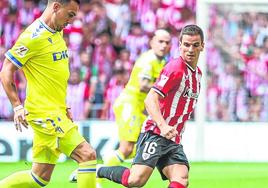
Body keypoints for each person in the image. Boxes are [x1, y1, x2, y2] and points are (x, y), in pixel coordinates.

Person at [0, 1, 96, 188]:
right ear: (56, 7)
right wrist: (17, 106)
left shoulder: (56, 30)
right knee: (87, 155)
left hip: (56, 109)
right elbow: (6, 71)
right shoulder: (32, 37)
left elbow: (52, 75)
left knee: (39, 178)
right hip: (45, 113)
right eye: (69, 14)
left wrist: (63, 105)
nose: (71, 21)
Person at [97, 24, 204, 188]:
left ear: (202, 46)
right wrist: (163, 125)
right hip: (156, 132)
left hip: (173, 139)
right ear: (180, 45)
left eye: (195, 45)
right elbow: (150, 99)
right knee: (135, 181)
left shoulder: (197, 74)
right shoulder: (175, 68)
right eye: (186, 45)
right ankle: (100, 170)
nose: (190, 49)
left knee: (181, 179)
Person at [69, 28, 171, 184]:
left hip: (138, 108)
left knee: (138, 150)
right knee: (127, 148)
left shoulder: (161, 61)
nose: (163, 45)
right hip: (129, 105)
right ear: (152, 42)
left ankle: (105, 171)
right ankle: (96, 175)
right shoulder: (148, 61)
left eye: (167, 42)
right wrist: (164, 91)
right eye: (160, 41)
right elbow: (144, 85)